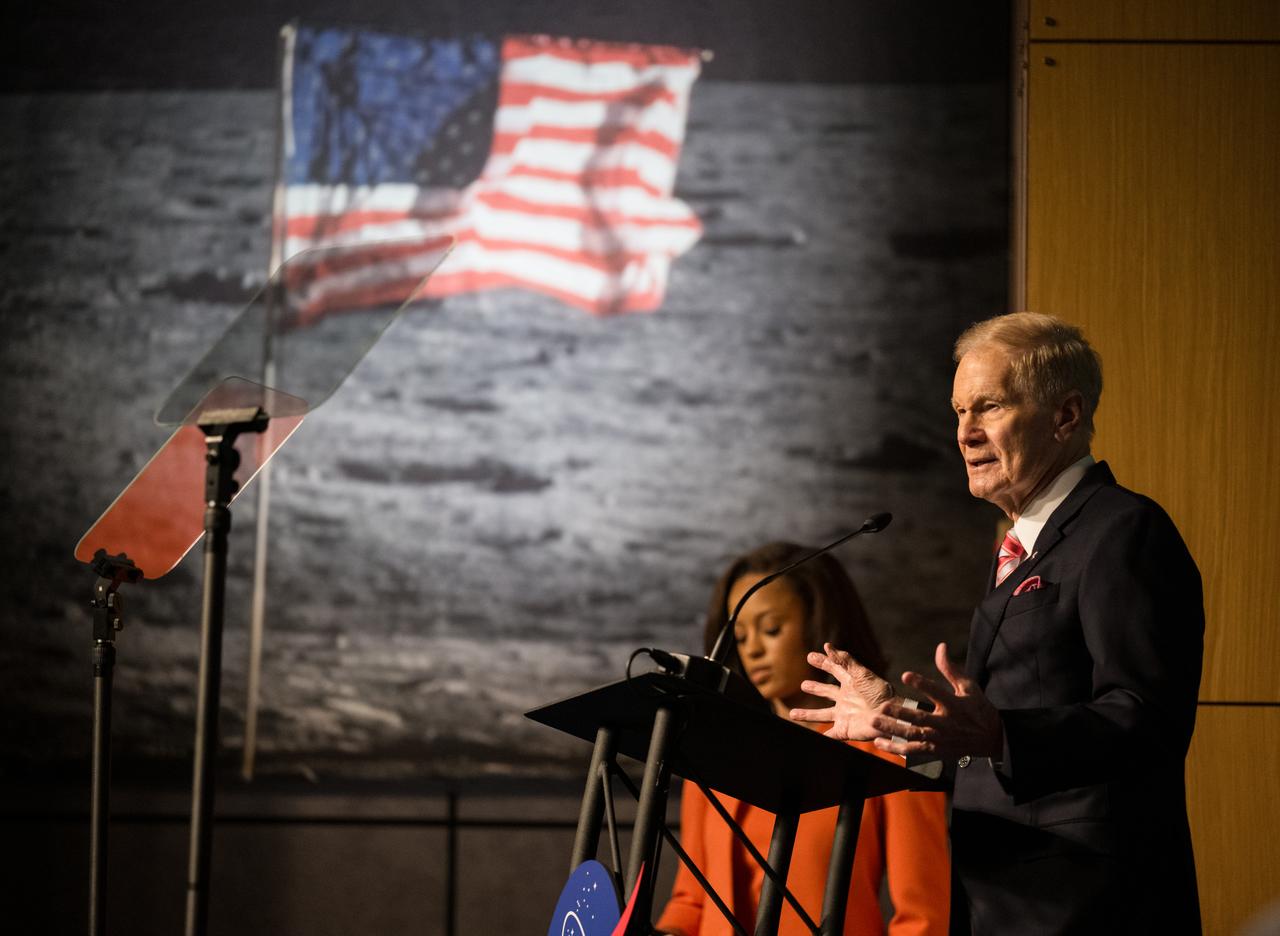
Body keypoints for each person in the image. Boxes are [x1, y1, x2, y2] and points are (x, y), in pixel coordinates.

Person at [792, 312, 1204, 934]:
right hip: (1001, 901)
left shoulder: (1122, 531)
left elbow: (1146, 720)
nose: (965, 432)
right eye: (959, 411)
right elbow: (995, 730)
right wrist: (899, 720)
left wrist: (1001, 736)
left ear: (1065, 416)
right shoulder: (1019, 548)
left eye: (989, 407)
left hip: (1088, 906)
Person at [656, 542, 951, 936]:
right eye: (740, 636)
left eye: (771, 629)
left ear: (819, 625)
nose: (752, 649)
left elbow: (924, 919)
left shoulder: (894, 751)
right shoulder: (712, 755)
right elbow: (690, 901)